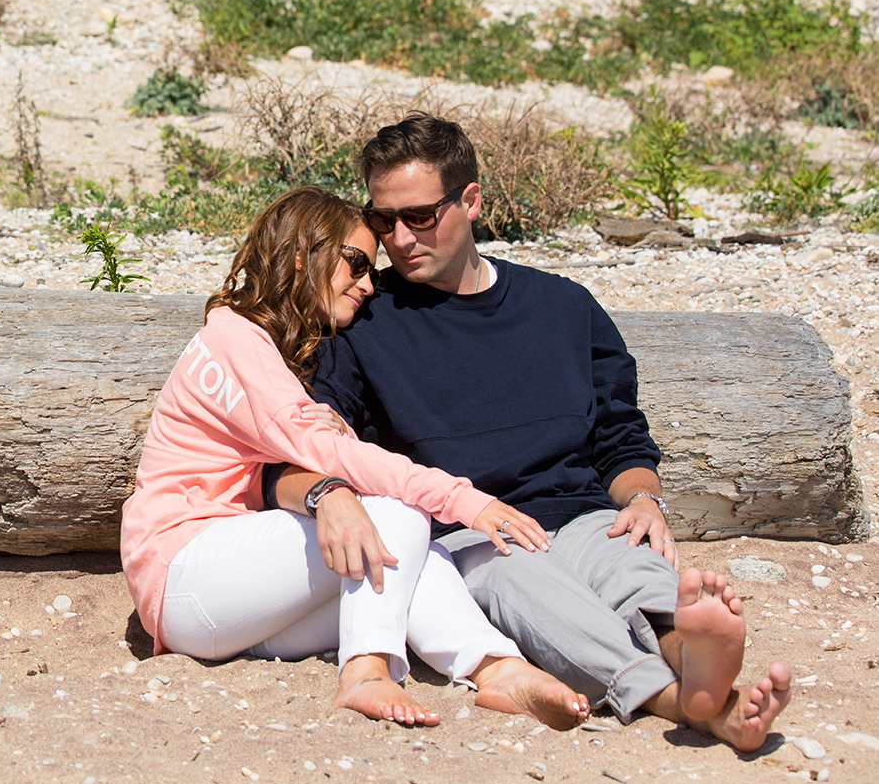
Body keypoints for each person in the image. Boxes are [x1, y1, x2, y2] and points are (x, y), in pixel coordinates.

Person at [265, 113, 790, 750]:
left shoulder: (563, 306)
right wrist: (330, 483)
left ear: (471, 201)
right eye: (382, 221)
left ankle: (693, 652)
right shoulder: (364, 321)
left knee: (632, 567)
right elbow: (311, 441)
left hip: (581, 511)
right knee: (535, 590)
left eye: (420, 217)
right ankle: (696, 704)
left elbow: (619, 431)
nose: (398, 239)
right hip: (468, 535)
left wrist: (644, 500)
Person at [120, 185, 589, 729]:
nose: (369, 284)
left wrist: (334, 436)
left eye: (372, 268)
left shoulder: (275, 343)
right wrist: (463, 498)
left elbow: (311, 444)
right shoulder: (235, 338)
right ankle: (365, 671)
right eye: (356, 263)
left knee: (412, 560)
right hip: (183, 574)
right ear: (302, 255)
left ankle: (498, 669)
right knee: (395, 517)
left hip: (239, 603)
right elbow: (323, 451)